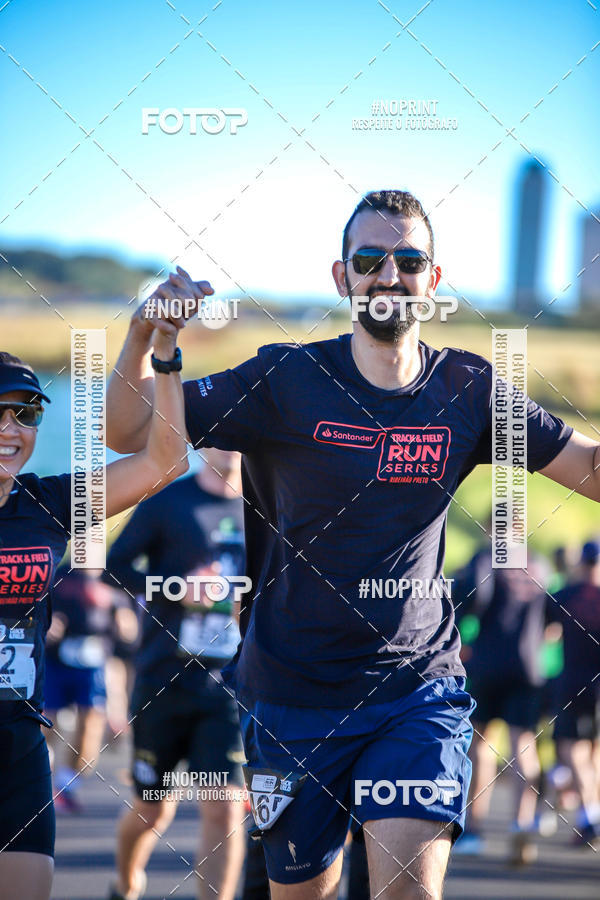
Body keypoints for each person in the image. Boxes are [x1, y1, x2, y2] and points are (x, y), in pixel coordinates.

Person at [105, 189, 600, 900]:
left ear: (434, 278)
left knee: (409, 888)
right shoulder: (283, 382)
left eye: (408, 259)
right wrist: (141, 338)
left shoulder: (470, 391)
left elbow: (587, 469)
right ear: (342, 278)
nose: (388, 275)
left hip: (416, 692)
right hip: (291, 697)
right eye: (369, 259)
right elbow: (127, 433)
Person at [0, 320, 188, 900]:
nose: (12, 429)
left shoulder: (49, 501)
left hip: (18, 743)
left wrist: (153, 348)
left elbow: (165, 462)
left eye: (27, 414)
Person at [104, 448, 248, 900]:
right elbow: (114, 566)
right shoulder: (167, 502)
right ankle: (127, 882)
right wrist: (175, 589)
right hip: (162, 679)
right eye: (219, 434)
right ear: (202, 444)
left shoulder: (269, 505)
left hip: (228, 685)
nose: (230, 444)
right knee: (152, 811)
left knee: (224, 808)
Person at [453, 546, 550, 863]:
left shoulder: (485, 557)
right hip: (529, 666)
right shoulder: (540, 562)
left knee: (480, 745)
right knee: (523, 743)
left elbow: (471, 598)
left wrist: (463, 637)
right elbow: (552, 619)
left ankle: (474, 829)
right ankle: (521, 823)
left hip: (488, 662)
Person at [43, 567, 129, 813]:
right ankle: (36, 780)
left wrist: (126, 622)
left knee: (91, 723)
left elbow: (128, 628)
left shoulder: (112, 574)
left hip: (94, 660)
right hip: (56, 660)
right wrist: (48, 624)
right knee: (46, 723)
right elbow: (38, 609)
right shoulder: (59, 573)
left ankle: (66, 785)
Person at [548, 540, 600, 846]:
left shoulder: (566, 595)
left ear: (581, 563)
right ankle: (591, 813)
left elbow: (547, 633)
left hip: (573, 683)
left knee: (572, 751)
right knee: (593, 753)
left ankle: (589, 817)